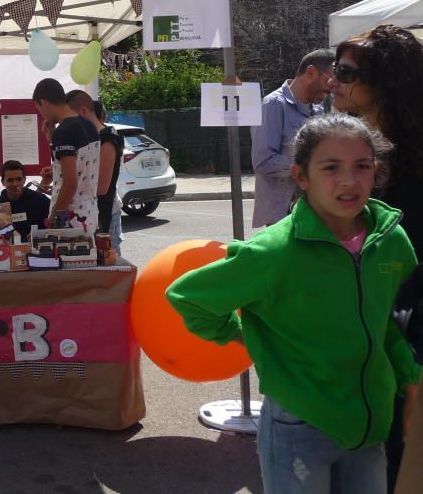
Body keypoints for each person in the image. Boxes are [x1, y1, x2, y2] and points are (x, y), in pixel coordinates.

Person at [167, 114, 420, 494]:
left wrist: (409, 379)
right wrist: (251, 339)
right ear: (301, 177)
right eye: (331, 168)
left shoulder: (392, 240)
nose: (349, 181)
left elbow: (390, 321)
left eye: (362, 167)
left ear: (376, 170)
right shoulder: (272, 252)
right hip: (299, 425)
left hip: (370, 422)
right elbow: (188, 297)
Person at [329, 24, 423, 491]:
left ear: (386, 82)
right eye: (333, 69)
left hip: (401, 339)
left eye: (346, 73)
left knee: (391, 464)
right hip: (359, 338)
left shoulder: (409, 163)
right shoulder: (359, 152)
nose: (333, 81)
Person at [251, 48, 335, 227]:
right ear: (311, 72)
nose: (332, 86)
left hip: (312, 211)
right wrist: (307, 166)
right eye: (329, 79)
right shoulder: (273, 104)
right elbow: (263, 161)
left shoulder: (318, 108)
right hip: (282, 217)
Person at [32, 78, 100, 233]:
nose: (41, 114)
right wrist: (52, 140)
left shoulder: (64, 131)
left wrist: (53, 218)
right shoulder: (88, 124)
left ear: (44, 102)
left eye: (39, 108)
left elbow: (70, 183)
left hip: (70, 218)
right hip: (89, 213)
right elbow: (81, 166)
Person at [66, 90, 124, 255]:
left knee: (109, 262)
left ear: (83, 111)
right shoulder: (86, 138)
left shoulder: (108, 139)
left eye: (71, 117)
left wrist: (70, 186)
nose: (69, 123)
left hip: (103, 213)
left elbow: (102, 188)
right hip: (87, 213)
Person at [0, 160, 50, 241]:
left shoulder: (41, 200)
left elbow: (55, 224)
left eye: (19, 179)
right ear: (3, 182)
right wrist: (8, 233)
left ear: (24, 179)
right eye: (10, 180)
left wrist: (40, 234)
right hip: (8, 251)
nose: (15, 184)